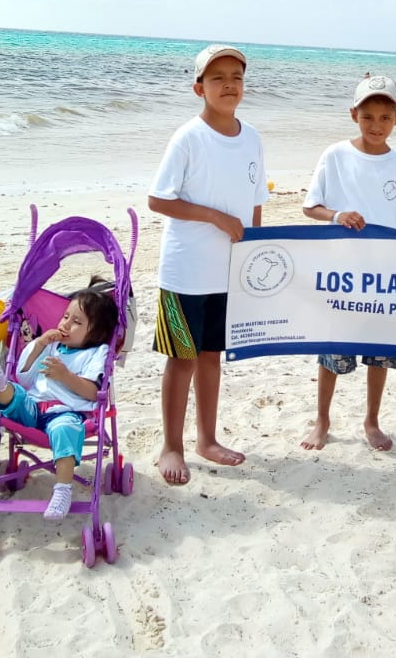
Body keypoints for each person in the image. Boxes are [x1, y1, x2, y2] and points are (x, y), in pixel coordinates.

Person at [148, 44, 268, 485]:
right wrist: (215, 217)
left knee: (211, 356)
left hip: (228, 270)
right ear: (199, 87)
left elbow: (256, 202)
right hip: (185, 272)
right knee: (182, 360)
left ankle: (206, 439)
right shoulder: (188, 137)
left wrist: (252, 252)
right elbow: (158, 198)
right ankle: (172, 445)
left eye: (236, 76)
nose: (229, 84)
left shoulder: (252, 137)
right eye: (218, 78)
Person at [299, 75, 396, 451]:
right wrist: (337, 215)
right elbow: (310, 206)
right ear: (354, 114)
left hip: (385, 277)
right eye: (367, 116)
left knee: (379, 353)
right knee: (332, 352)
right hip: (340, 275)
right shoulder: (335, 156)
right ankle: (322, 420)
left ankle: (372, 420)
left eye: (384, 118)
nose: (376, 125)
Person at [0, 284, 117, 519]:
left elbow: (94, 392)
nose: (65, 324)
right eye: (65, 316)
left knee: (66, 428)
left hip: (65, 411)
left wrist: (66, 376)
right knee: (15, 393)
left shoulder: (96, 353)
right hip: (32, 406)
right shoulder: (50, 346)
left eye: (77, 322)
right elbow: (25, 376)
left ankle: (62, 490)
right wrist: (39, 344)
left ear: (97, 333)